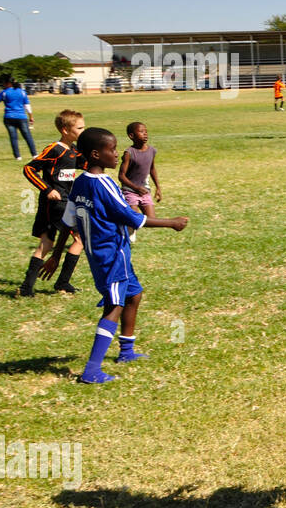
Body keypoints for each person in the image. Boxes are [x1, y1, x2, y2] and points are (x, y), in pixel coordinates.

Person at [44, 127, 189, 383]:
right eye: (111, 150)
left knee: (134, 294)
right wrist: (171, 223)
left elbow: (69, 221)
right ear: (96, 154)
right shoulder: (105, 184)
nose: (115, 154)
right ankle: (91, 371)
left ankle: (126, 351)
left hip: (102, 255)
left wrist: (56, 255)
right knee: (115, 305)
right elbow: (131, 217)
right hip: (112, 255)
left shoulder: (80, 182)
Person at [19, 109, 85, 296]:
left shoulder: (74, 151)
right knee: (79, 239)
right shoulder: (54, 149)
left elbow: (86, 165)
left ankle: (26, 287)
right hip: (56, 203)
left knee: (47, 243)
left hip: (66, 201)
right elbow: (29, 169)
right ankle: (62, 282)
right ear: (65, 130)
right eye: (80, 128)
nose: (83, 131)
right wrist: (47, 189)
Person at [118, 121, 163, 222]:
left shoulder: (152, 150)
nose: (145, 134)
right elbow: (121, 176)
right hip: (130, 191)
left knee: (152, 220)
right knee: (133, 220)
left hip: (144, 190)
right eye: (141, 131)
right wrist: (135, 188)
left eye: (146, 131)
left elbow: (152, 169)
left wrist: (158, 188)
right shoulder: (129, 153)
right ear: (131, 136)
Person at [0, 80, 36, 159]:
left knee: (13, 137)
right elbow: (27, 106)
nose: (3, 85)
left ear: (8, 83)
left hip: (8, 117)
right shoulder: (22, 92)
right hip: (21, 117)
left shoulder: (4, 92)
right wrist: (31, 116)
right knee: (27, 136)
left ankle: (18, 156)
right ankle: (34, 154)